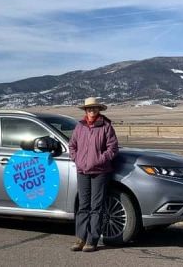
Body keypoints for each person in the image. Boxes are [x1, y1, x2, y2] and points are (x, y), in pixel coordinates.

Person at [68, 97, 119, 252]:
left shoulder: (106, 126)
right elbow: (72, 145)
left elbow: (113, 148)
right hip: (82, 171)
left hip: (100, 172)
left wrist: (100, 160)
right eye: (89, 108)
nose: (92, 110)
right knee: (83, 205)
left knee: (96, 206)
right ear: (85, 110)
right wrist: (77, 159)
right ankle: (80, 238)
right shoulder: (80, 126)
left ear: (99, 109)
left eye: (94, 108)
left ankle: (92, 240)